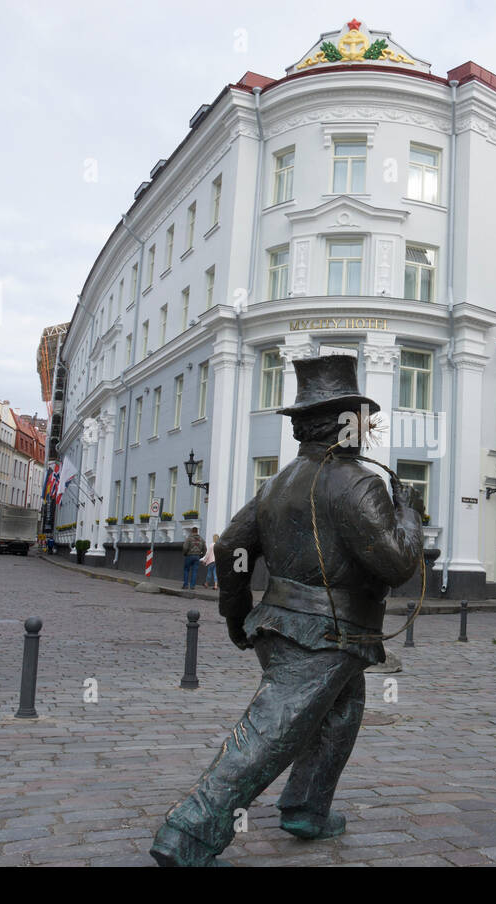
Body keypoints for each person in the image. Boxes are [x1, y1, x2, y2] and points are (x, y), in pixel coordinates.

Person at [151, 354, 423, 867]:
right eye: (363, 419)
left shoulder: (275, 485)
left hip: (284, 623)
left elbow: (232, 549)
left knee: (339, 715)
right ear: (348, 424)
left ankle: (306, 809)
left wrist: (239, 618)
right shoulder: (359, 483)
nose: (368, 429)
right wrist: (408, 513)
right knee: (272, 730)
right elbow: (396, 563)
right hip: (326, 632)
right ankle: (187, 831)